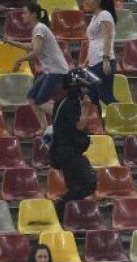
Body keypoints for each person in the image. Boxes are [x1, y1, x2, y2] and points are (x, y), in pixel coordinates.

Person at [8, 4, 70, 134]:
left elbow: (36, 52)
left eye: (25, 12)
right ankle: (43, 127)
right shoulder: (38, 28)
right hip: (50, 70)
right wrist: (12, 43)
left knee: (40, 100)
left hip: (56, 71)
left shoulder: (39, 28)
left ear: (34, 15)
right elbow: (32, 46)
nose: (22, 15)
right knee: (32, 98)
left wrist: (18, 60)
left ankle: (68, 119)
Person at [49, 68, 98, 220]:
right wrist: (86, 108)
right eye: (84, 86)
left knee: (77, 186)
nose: (86, 89)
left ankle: (70, 218)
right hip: (67, 153)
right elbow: (80, 126)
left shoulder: (63, 101)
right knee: (89, 183)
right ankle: (61, 205)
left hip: (67, 152)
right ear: (75, 86)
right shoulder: (70, 104)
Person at [84, 0, 117, 105]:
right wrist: (86, 61)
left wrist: (106, 59)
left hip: (102, 61)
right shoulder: (95, 17)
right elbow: (93, 41)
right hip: (94, 62)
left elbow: (107, 37)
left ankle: (124, 118)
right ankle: (98, 121)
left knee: (103, 96)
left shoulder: (104, 15)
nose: (87, 2)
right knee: (94, 97)